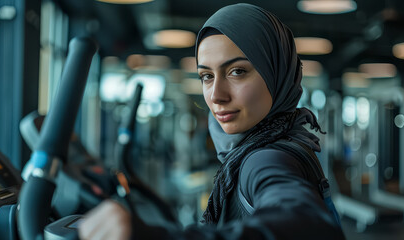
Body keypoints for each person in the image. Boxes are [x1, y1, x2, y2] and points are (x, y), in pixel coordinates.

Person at [79, 3, 345, 239]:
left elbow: (307, 224)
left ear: (276, 73)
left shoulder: (264, 159)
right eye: (207, 76)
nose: (216, 95)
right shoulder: (266, 147)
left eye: (237, 71)